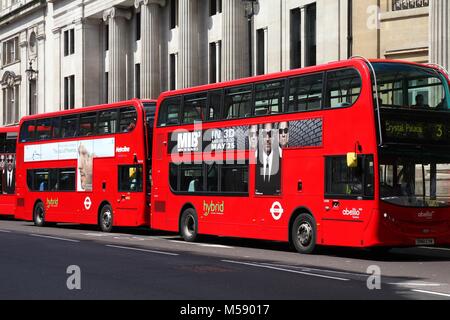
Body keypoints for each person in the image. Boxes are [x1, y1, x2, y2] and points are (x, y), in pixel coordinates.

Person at [255, 123, 282, 196]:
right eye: (264, 135)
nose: (267, 139)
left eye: (270, 135)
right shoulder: (254, 160)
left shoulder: (282, 160)